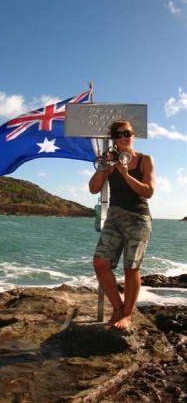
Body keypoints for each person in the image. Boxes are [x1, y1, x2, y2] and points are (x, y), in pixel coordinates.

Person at [89, 120, 155, 330]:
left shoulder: (145, 160)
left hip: (138, 217)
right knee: (100, 263)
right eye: (118, 135)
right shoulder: (111, 162)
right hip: (115, 217)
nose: (123, 137)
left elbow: (148, 191)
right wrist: (104, 167)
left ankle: (127, 315)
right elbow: (93, 188)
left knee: (131, 268)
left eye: (126, 133)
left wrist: (125, 173)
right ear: (115, 140)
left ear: (133, 135)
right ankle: (117, 308)